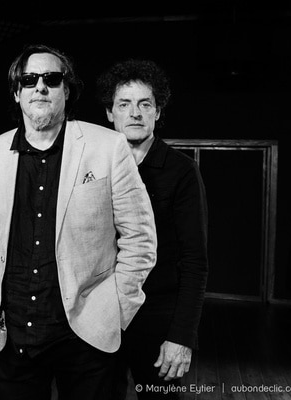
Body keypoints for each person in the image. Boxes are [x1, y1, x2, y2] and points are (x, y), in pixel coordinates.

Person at [0, 43, 157, 400]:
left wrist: (115, 309)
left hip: (86, 337)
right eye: (29, 80)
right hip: (13, 335)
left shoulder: (108, 146)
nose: (40, 87)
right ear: (17, 92)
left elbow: (140, 239)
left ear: (66, 90)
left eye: (51, 79)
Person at [96, 59, 208, 398]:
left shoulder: (182, 171)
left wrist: (182, 337)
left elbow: (195, 260)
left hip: (158, 317)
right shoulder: (93, 167)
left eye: (145, 104)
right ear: (110, 113)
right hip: (102, 314)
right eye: (124, 104)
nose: (135, 113)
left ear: (157, 112)